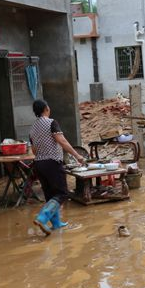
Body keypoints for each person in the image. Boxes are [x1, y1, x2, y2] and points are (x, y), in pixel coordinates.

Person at [30, 99, 85, 236]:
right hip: (52, 163)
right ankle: (42, 217)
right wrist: (77, 155)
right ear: (46, 108)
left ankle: (56, 223)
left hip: (39, 164)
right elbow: (62, 141)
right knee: (62, 193)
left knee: (50, 195)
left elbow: (34, 150)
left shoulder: (32, 128)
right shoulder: (51, 123)